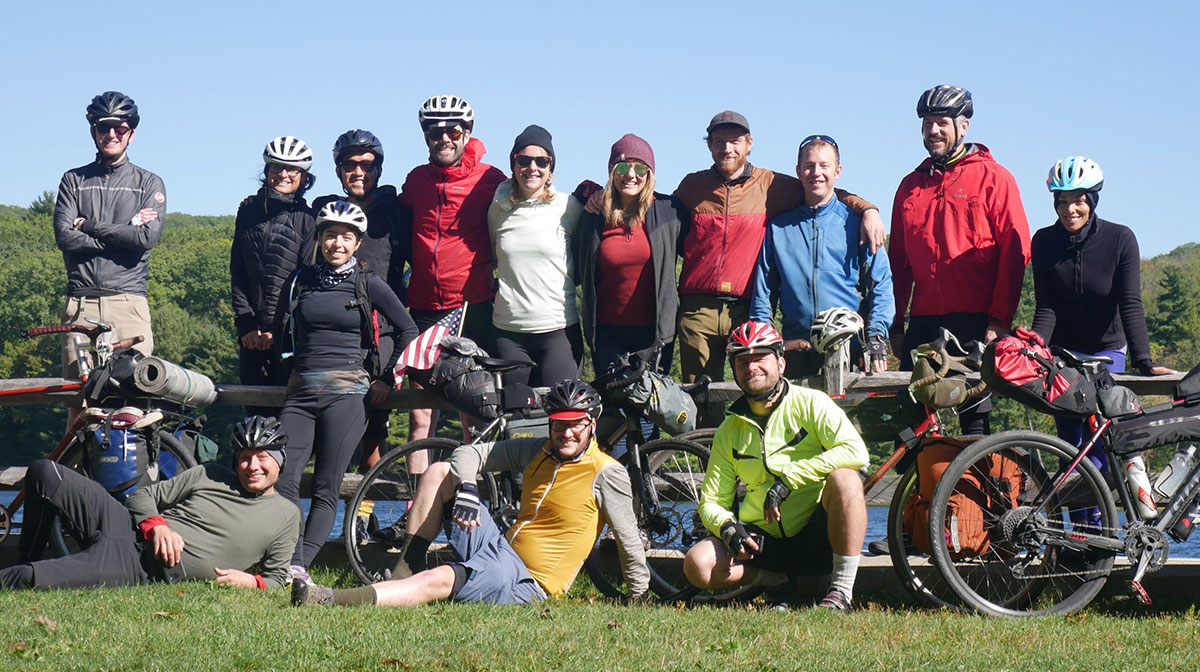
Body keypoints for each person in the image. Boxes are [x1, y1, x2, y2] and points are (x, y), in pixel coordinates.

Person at [292, 380, 649, 607]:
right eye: (559, 424)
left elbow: (629, 540)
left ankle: (329, 599)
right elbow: (470, 453)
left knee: (443, 577)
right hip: (499, 547)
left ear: (592, 424)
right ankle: (401, 574)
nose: (566, 433)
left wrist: (639, 595)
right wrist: (466, 486)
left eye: (576, 424)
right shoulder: (537, 449)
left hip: (527, 582)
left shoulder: (607, 472)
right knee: (439, 471)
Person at [672, 110, 883, 422]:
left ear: (749, 143)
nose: (727, 148)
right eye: (719, 142)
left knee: (753, 397)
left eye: (734, 141)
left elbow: (824, 192)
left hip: (753, 310)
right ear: (709, 146)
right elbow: (663, 220)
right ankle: (703, 466)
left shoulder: (773, 185)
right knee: (698, 400)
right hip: (698, 309)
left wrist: (867, 209)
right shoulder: (692, 187)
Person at [274, 201, 418, 584]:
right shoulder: (301, 280)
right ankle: (286, 557)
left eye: (347, 237)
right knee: (284, 477)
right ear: (320, 239)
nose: (337, 243)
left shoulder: (368, 283)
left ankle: (297, 566)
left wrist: (388, 377)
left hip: (348, 395)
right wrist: (291, 368)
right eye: (331, 235)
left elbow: (408, 331)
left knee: (326, 484)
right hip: (302, 393)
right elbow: (283, 330)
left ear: (357, 244)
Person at [682, 321, 868, 612]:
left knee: (847, 480)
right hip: (763, 541)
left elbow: (855, 451)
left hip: (816, 532)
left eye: (760, 358)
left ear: (781, 363)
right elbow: (712, 501)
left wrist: (789, 478)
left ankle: (841, 591)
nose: (751, 367)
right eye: (743, 361)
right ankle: (775, 581)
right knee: (698, 564)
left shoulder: (812, 403)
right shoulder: (729, 429)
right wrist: (727, 527)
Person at [0, 416, 301, 591]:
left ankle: (25, 572)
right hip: (122, 523)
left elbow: (276, 577)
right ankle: (28, 555)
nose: (252, 466)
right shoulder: (209, 474)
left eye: (262, 458)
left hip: (139, 565)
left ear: (279, 462)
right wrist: (157, 526)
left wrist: (251, 582)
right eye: (245, 458)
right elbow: (143, 497)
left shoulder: (286, 515)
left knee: (30, 578)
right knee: (43, 472)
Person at [889, 84, 1031, 435]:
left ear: (963, 126)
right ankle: (921, 491)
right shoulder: (909, 186)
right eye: (927, 123)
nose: (933, 130)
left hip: (975, 322)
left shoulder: (995, 178)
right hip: (923, 321)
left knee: (974, 423)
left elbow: (1015, 256)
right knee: (914, 423)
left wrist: (999, 321)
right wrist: (895, 323)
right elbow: (898, 264)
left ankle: (971, 490)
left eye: (941, 122)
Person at [1032, 156, 1176, 492]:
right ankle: (1077, 536)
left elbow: (1130, 302)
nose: (1070, 210)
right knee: (1068, 447)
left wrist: (1144, 361)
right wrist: (1033, 348)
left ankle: (1095, 535)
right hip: (1062, 354)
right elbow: (1047, 307)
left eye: (1079, 201)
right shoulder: (1043, 242)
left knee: (1096, 446)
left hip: (1106, 351)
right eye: (1063, 202)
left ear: (1092, 201)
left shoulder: (1120, 239)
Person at [398, 94, 506, 473]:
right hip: (423, 307)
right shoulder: (416, 181)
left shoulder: (491, 179)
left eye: (453, 130)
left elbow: (532, 200)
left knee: (472, 414)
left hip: (471, 306)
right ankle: (412, 510)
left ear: (468, 132)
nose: (444, 138)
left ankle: (472, 498)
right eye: (434, 132)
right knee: (419, 416)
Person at [312, 130, 412, 481]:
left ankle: (365, 521)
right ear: (338, 169)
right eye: (350, 165)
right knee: (329, 432)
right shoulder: (325, 211)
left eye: (367, 165)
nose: (359, 172)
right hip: (333, 333)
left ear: (378, 169)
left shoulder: (397, 213)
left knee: (373, 434)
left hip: (379, 333)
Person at [749, 135, 894, 376]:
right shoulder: (778, 228)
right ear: (798, 171)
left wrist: (876, 336)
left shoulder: (858, 224)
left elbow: (881, 284)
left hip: (850, 351)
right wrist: (766, 342)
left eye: (824, 166)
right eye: (809, 166)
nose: (816, 172)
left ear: (837, 171)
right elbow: (764, 293)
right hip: (796, 352)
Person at [575, 133, 686, 443]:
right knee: (612, 412)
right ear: (612, 172)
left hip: (653, 335)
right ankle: (613, 481)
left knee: (652, 410)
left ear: (650, 174)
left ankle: (646, 484)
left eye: (640, 168)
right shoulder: (594, 216)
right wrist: (586, 193)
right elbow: (577, 265)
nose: (631, 176)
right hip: (608, 333)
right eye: (623, 169)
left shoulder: (669, 211)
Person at [52, 91, 164, 384]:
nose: (111, 134)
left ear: (132, 134)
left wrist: (88, 225)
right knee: (79, 401)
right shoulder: (73, 180)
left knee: (134, 400)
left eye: (120, 128)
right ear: (93, 131)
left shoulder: (148, 183)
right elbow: (65, 238)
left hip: (128, 302)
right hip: (81, 304)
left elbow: (144, 240)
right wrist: (124, 230)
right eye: (104, 127)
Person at [486, 124, 584, 387]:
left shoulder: (569, 207)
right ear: (513, 164)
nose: (532, 167)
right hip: (508, 334)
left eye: (541, 161)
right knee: (516, 423)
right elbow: (493, 260)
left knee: (563, 418)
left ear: (551, 167)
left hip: (558, 330)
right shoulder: (497, 209)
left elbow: (587, 257)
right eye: (524, 160)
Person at [230, 136, 317, 416]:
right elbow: (238, 271)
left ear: (304, 177)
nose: (283, 174)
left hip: (288, 338)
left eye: (292, 169)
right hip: (250, 337)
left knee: (288, 418)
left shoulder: (308, 219)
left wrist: (276, 330)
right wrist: (246, 324)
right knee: (254, 418)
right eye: (276, 167)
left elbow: (303, 281)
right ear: (266, 171)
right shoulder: (247, 212)